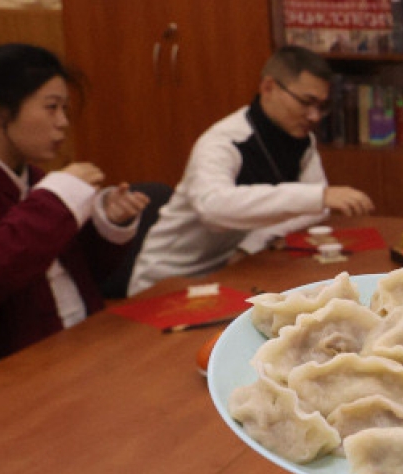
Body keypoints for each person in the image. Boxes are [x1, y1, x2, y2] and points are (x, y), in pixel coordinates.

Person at [128, 47, 374, 295]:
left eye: (322, 106)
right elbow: (212, 207)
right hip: (168, 280)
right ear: (268, 87)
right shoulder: (222, 141)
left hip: (236, 268)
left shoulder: (301, 140)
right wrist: (317, 196)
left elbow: (311, 212)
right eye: (306, 102)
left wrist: (252, 242)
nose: (314, 116)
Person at [0, 43, 149, 371]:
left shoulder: (32, 175)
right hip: (14, 368)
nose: (64, 123)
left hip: (78, 340)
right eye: (51, 108)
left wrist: (107, 223)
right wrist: (55, 200)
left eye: (64, 109)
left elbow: (86, 273)